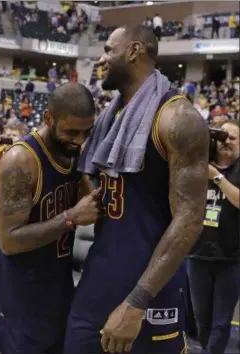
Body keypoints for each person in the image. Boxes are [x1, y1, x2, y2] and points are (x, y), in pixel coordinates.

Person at [64, 25, 209, 354]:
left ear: (133, 51)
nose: (101, 59)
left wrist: (137, 302)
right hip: (99, 277)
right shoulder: (112, 115)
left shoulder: (177, 119)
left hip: (148, 295)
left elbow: (189, 219)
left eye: (107, 50)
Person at [0, 83, 102, 354]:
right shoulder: (21, 160)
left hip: (57, 291)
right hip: (19, 301)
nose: (79, 140)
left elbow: (92, 202)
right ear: (48, 118)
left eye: (86, 132)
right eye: (72, 131)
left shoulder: (71, 153)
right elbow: (9, 241)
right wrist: (71, 218)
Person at [187, 120, 240, 354]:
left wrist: (217, 177)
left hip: (231, 258)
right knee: (202, 319)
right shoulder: (200, 166)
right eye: (223, 137)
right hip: (198, 255)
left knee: (221, 321)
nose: (227, 142)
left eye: (233, 138)